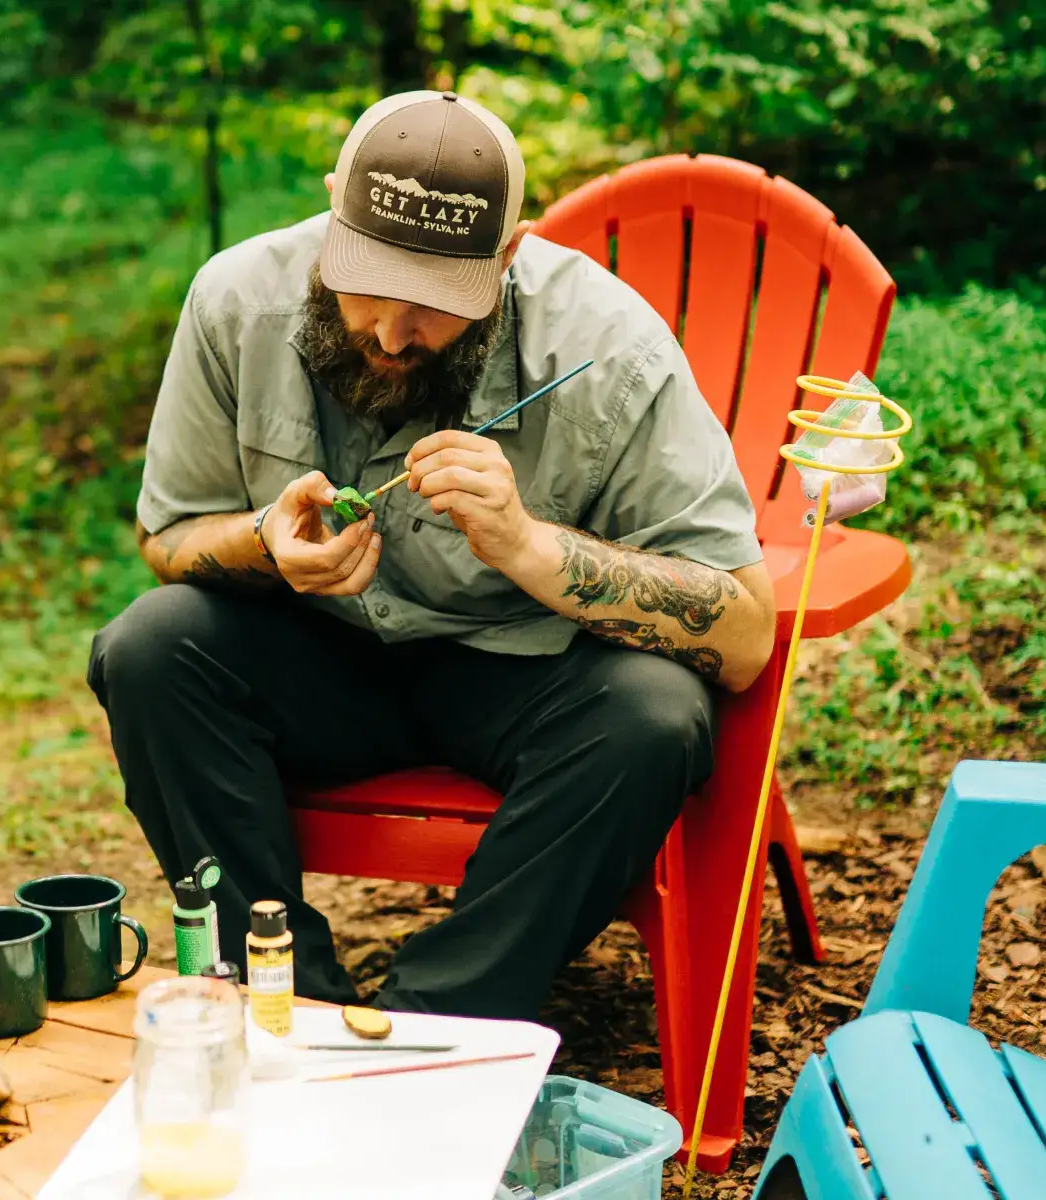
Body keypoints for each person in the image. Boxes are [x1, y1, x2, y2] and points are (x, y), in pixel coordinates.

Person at [87, 89, 777, 1021]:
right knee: (150, 646)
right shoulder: (236, 301)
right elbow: (168, 541)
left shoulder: (608, 349)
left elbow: (742, 635)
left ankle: (440, 1020)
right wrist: (264, 547)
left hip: (523, 671)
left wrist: (533, 549)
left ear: (507, 254)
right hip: (319, 659)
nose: (388, 331)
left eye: (436, 304)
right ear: (333, 205)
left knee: (656, 716)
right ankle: (280, 996)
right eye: (366, 281)